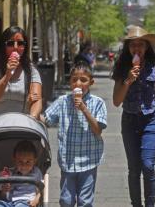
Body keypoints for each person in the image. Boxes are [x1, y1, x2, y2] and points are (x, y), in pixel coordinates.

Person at [111, 26, 155, 207]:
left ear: (147, 48)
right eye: (133, 45)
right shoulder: (122, 69)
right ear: (128, 48)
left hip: (150, 121)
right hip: (129, 120)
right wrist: (128, 80)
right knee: (134, 169)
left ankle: (150, 204)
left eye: (141, 45)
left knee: (148, 165)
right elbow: (116, 101)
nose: (137, 49)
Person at [43, 61, 107, 207]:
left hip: (89, 159)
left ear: (91, 82)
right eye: (74, 80)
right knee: (66, 200)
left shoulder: (98, 103)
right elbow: (46, 119)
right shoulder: (62, 102)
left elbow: (98, 130)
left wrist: (84, 109)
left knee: (85, 201)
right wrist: (34, 110)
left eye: (83, 80)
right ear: (70, 82)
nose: (78, 83)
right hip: (68, 161)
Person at [0, 26, 42, 120]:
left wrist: (32, 118)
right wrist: (7, 75)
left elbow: (37, 100)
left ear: (25, 47)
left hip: (22, 127)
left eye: (20, 43)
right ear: (3, 46)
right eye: (10, 43)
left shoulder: (31, 70)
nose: (15, 47)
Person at [0, 140, 42, 207]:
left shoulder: (36, 173)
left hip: (26, 202)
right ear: (14, 160)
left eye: (28, 162)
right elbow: (2, 196)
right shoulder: (9, 173)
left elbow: (41, 190)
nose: (24, 165)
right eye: (20, 162)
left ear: (34, 161)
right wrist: (4, 191)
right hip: (8, 202)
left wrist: (36, 200)